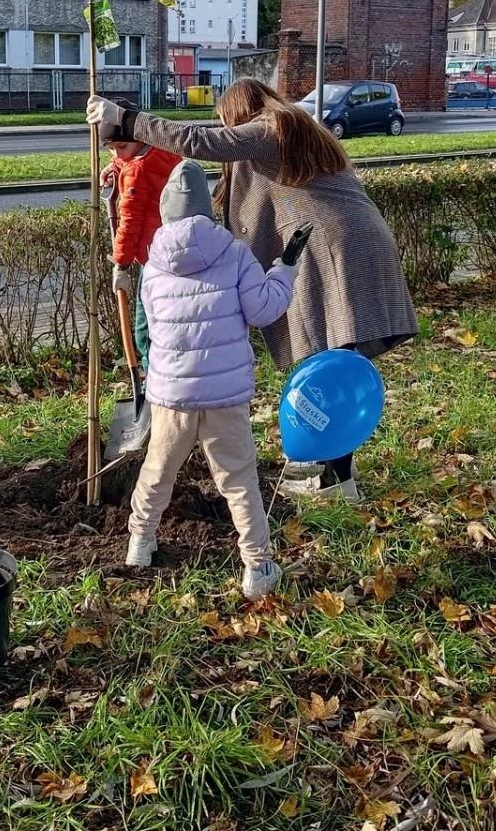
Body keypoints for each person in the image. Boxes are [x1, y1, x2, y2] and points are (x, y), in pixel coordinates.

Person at [87, 79, 418, 502]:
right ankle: (334, 475)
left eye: (227, 121)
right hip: (352, 241)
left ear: (240, 112)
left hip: (332, 247)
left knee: (328, 362)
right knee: (335, 359)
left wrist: (129, 120)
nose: (227, 130)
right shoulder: (292, 130)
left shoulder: (272, 125)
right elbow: (234, 197)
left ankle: (334, 481)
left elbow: (199, 141)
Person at [126, 160, 297, 599]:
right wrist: (285, 269)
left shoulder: (153, 264)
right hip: (223, 397)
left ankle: (139, 544)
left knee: (158, 471)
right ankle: (257, 568)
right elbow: (263, 310)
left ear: (166, 212)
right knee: (240, 481)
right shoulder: (234, 253)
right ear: (208, 210)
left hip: (170, 395)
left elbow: (148, 324)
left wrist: (150, 367)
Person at [98, 100, 180, 406]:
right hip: (173, 250)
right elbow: (132, 161)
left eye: (120, 147)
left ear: (138, 139)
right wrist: (116, 166)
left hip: (151, 257)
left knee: (145, 328)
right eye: (110, 150)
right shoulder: (164, 152)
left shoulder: (136, 172)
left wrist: (120, 264)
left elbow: (129, 222)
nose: (116, 154)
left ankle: (152, 386)